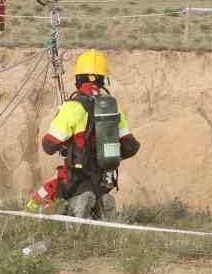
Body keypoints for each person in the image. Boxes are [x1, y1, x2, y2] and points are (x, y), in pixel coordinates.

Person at [25, 50, 140, 219]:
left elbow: (49, 145)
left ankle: (33, 213)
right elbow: (131, 146)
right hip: (104, 178)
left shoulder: (72, 107)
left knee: (44, 193)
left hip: (75, 176)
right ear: (102, 79)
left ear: (78, 79)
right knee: (95, 199)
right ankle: (99, 202)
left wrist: (65, 135)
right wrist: (107, 154)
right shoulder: (113, 108)